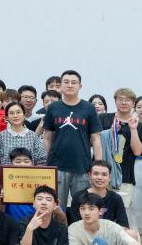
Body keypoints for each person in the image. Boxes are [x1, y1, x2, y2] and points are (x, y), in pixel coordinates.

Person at [41, 70, 103, 207]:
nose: (70, 85)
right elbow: (47, 137)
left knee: (82, 207)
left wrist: (98, 165)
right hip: (57, 166)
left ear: (80, 86)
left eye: (74, 82)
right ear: (61, 86)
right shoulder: (53, 108)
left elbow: (96, 139)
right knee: (56, 207)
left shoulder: (89, 108)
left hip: (82, 166)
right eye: (66, 82)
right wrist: (45, 163)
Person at [101, 88, 142, 243]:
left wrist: (133, 130)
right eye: (120, 99)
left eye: (128, 100)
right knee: (101, 211)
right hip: (102, 174)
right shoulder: (104, 119)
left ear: (133, 103)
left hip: (125, 176)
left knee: (121, 213)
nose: (124, 102)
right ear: (115, 101)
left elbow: (138, 151)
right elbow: (94, 142)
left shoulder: (138, 125)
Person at [67, 162, 132, 236]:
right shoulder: (78, 197)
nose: (100, 178)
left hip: (109, 236)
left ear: (109, 177)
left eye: (104, 174)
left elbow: (124, 225)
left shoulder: (116, 198)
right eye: (96, 174)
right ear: (89, 176)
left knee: (131, 234)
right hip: (84, 236)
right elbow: (75, 225)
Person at [0, 102, 47, 180]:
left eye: (18, 112)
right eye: (11, 113)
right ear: (7, 117)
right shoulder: (2, 135)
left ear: (24, 115)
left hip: (28, 179)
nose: (15, 116)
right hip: (7, 179)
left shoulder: (33, 136)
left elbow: (40, 160)